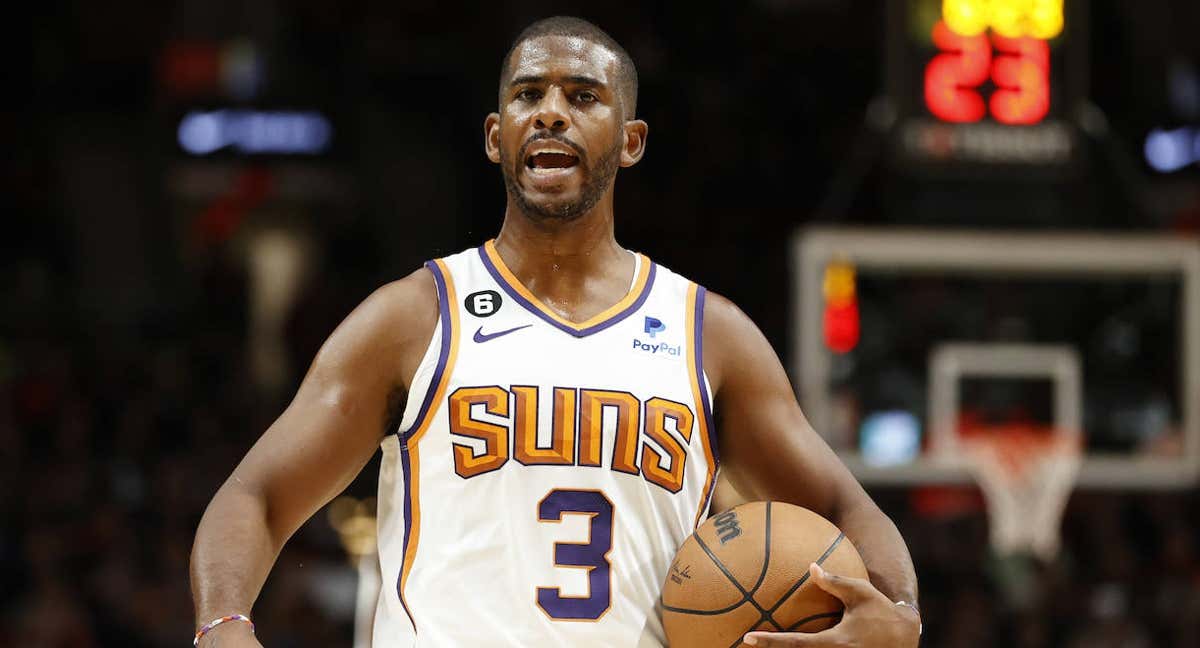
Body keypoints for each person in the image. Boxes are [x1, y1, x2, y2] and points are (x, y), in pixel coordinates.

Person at [190, 16, 920, 648]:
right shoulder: (415, 317)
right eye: (527, 94)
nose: (550, 113)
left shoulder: (709, 335)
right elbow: (254, 497)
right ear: (494, 135)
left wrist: (901, 615)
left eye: (582, 96)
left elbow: (847, 510)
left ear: (630, 141)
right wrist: (225, 624)